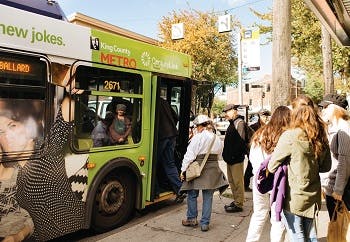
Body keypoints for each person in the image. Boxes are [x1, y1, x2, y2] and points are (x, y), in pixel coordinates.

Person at [267, 95, 332, 241]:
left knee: (297, 236)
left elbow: (272, 166)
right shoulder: (320, 136)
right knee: (311, 235)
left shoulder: (290, 136)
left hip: (293, 196)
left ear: (294, 113)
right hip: (313, 193)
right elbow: (326, 167)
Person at [245, 106, 290, 242]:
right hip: (279, 180)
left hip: (260, 179)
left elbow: (253, 158)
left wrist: (259, 173)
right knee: (278, 217)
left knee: (258, 214)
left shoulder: (260, 133)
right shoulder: (286, 135)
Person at [179, 115, 228, 232]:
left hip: (197, 169)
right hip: (212, 170)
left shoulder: (198, 137)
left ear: (200, 126)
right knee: (208, 197)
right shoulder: (217, 138)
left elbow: (189, 156)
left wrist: (183, 170)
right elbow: (220, 156)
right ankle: (205, 224)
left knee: (192, 194)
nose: (196, 128)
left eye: (196, 126)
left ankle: (191, 219)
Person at [0, 109, 35, 241]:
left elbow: (31, 219)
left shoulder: (19, 176)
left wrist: (16, 237)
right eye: (2, 132)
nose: (6, 136)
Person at [318, 93, 350, 217]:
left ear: (336, 108)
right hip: (333, 188)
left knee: (342, 232)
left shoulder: (343, 129)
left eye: (326, 107)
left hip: (342, 190)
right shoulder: (335, 128)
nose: (323, 110)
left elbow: (344, 163)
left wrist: (338, 190)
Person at [222, 104, 249, 213]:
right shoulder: (233, 123)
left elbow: (241, 142)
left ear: (234, 111)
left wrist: (233, 156)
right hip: (230, 159)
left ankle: (239, 203)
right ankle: (236, 200)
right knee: (232, 181)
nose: (226, 114)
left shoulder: (240, 123)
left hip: (236, 159)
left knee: (238, 182)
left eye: (228, 111)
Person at [156, 97, 184, 201]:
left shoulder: (150, 99)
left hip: (161, 136)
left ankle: (155, 191)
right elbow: (176, 117)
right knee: (170, 164)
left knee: (152, 164)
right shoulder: (164, 101)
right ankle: (180, 189)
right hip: (172, 135)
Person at [244, 109, 272, 192]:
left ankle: (264, 184)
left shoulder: (270, 126)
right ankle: (245, 184)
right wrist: (249, 151)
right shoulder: (253, 127)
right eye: (263, 116)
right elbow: (248, 140)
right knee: (250, 168)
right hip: (255, 151)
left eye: (267, 116)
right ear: (259, 116)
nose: (266, 118)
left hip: (266, 151)